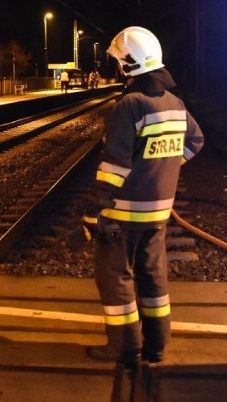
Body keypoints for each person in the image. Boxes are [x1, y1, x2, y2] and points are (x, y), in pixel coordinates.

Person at [81, 26, 204, 367]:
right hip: (159, 214)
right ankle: (156, 346)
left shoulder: (129, 106)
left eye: (119, 62)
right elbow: (194, 142)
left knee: (115, 277)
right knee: (153, 275)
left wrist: (94, 212)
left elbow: (114, 166)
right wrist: (163, 168)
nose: (117, 67)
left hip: (124, 214)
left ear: (129, 65)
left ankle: (124, 348)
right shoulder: (175, 103)